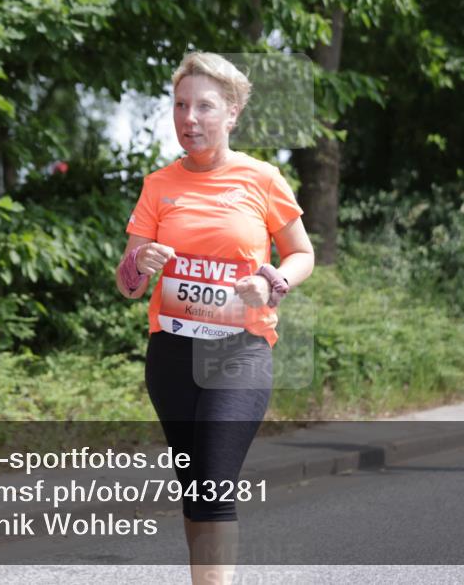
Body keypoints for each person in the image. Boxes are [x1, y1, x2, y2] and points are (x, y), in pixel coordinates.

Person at [116, 52, 314, 584]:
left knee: (212, 483)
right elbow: (129, 285)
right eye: (181, 105)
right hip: (172, 354)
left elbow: (302, 254)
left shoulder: (262, 178)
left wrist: (272, 281)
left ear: (232, 113)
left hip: (240, 351)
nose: (190, 118)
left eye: (204, 106)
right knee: (194, 487)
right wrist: (139, 263)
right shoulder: (159, 185)